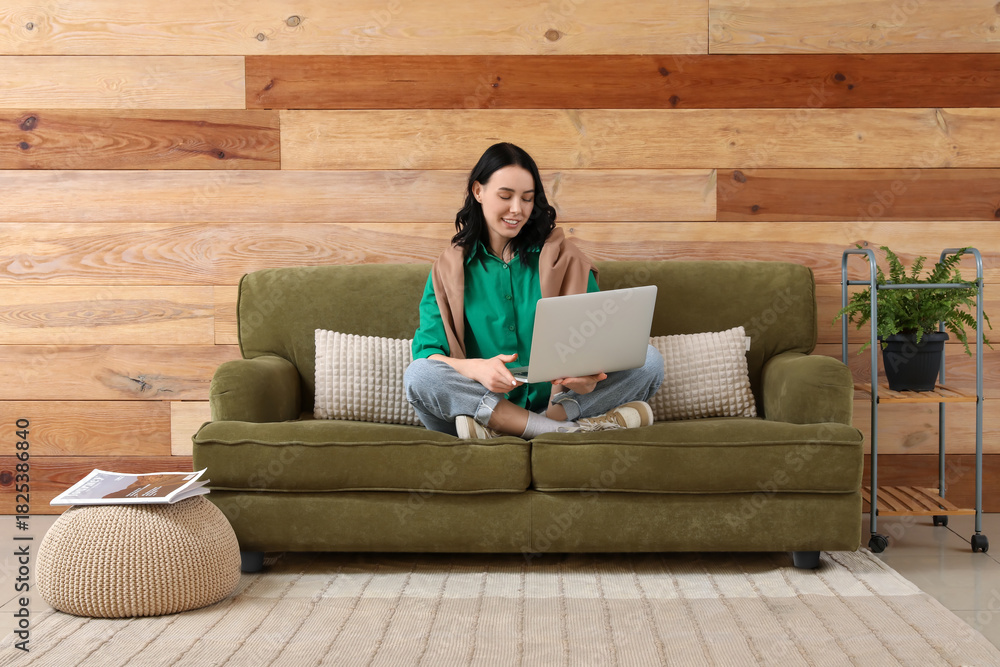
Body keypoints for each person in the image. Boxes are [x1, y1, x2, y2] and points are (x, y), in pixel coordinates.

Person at [404, 142, 664, 439]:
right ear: (478, 191)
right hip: (480, 403)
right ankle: (561, 431)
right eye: (505, 196)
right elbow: (427, 354)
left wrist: (589, 377)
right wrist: (475, 369)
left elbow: (596, 344)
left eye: (527, 199)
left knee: (650, 360)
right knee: (420, 375)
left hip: (558, 402)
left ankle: (538, 425)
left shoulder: (565, 259)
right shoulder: (447, 269)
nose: (517, 209)